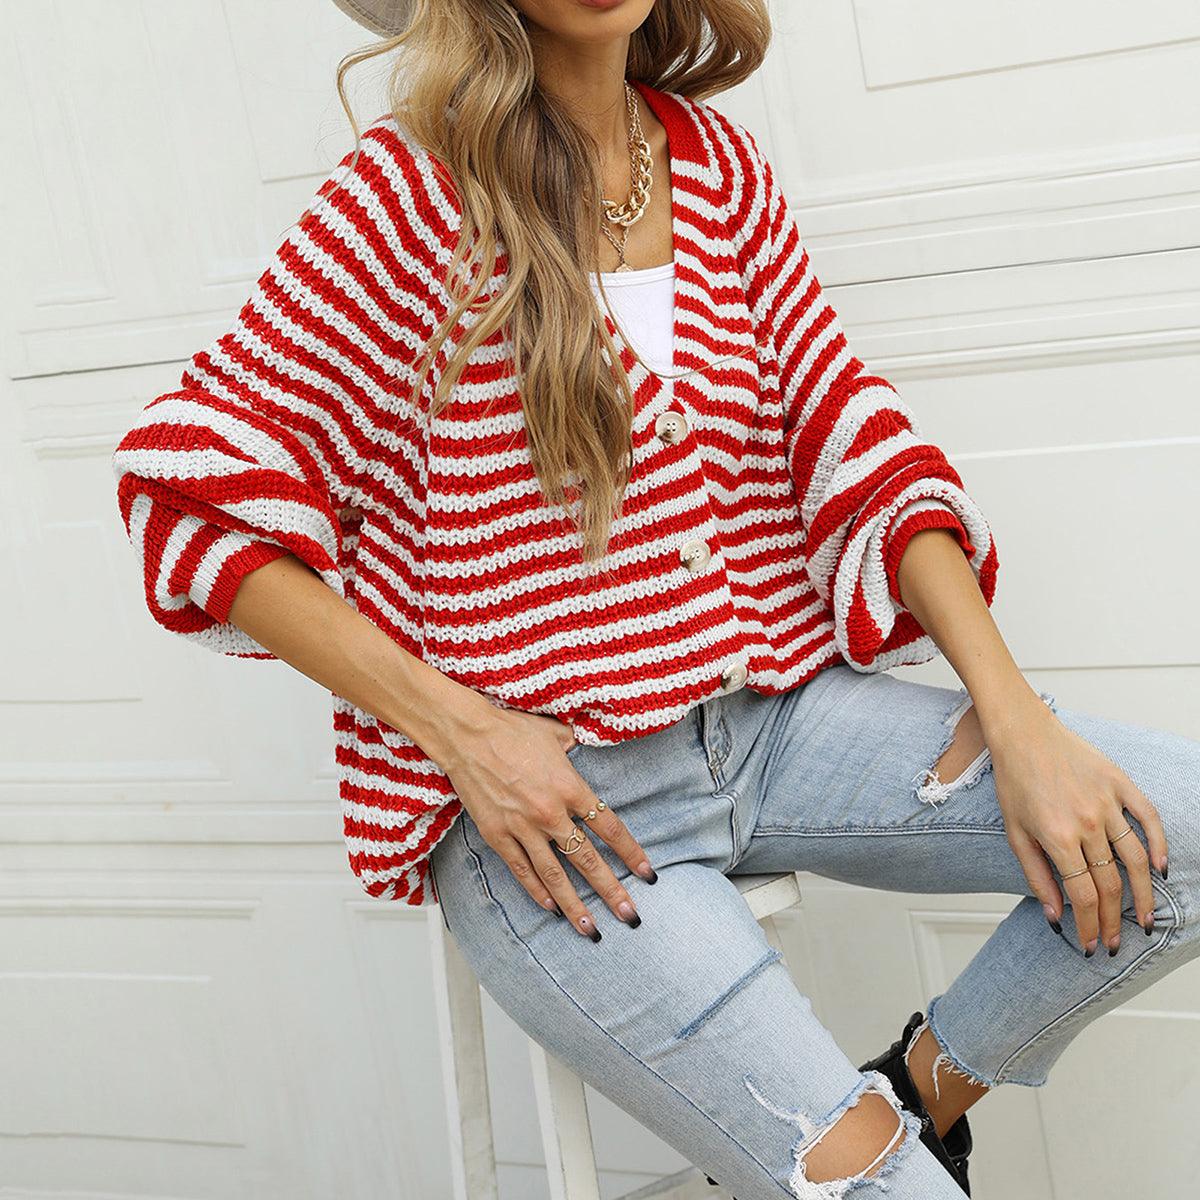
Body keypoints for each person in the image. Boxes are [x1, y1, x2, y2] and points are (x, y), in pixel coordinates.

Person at [110, 2, 1200, 1197]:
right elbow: (190, 494)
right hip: (561, 822)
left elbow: (856, 438)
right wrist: (465, 736)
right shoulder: (412, 191)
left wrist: (1015, 717)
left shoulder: (716, 166)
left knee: (1183, 829)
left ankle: (923, 1086)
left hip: (769, 731)